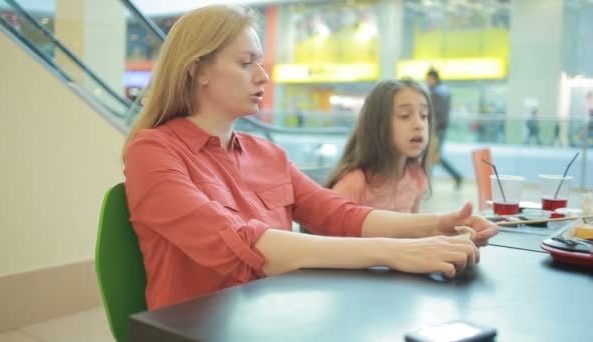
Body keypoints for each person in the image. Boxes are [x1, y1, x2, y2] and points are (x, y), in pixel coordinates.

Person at [123, 5, 498, 310]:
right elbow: (242, 244)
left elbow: (339, 215)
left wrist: (436, 226)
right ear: (197, 70)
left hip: (274, 316)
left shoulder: (267, 153)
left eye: (261, 62)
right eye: (246, 62)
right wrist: (396, 251)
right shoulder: (151, 151)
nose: (263, 77)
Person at [326, 80, 432, 213]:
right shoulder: (354, 184)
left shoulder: (415, 176)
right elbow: (329, 229)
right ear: (377, 124)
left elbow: (415, 230)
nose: (419, 125)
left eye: (424, 116)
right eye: (405, 116)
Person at [426, 68, 463, 189]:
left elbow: (436, 113)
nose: (427, 81)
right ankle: (455, 176)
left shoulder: (437, 93)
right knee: (433, 156)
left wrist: (432, 128)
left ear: (434, 79)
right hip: (441, 128)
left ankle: (426, 184)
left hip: (436, 130)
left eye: (429, 79)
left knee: (433, 156)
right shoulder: (443, 91)